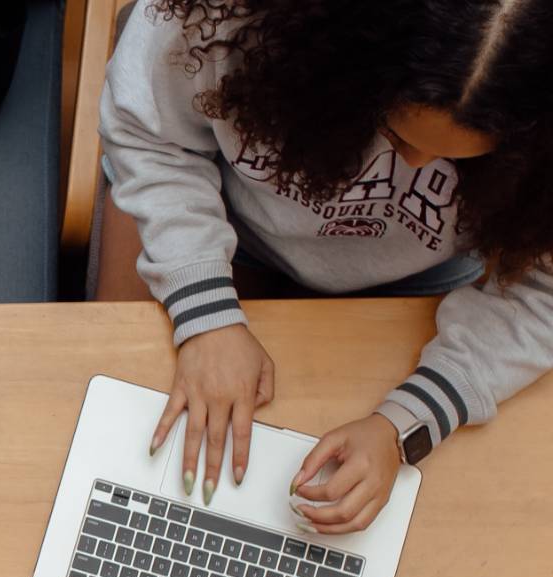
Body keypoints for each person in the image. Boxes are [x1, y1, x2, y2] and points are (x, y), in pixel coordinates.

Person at [97, 0, 553, 532]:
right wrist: (206, 310)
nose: (412, 165)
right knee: (135, 447)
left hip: (419, 283)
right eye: (398, 133)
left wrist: (407, 422)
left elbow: (542, 292)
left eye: (459, 159)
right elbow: (147, 132)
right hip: (215, 226)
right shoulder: (229, 16)